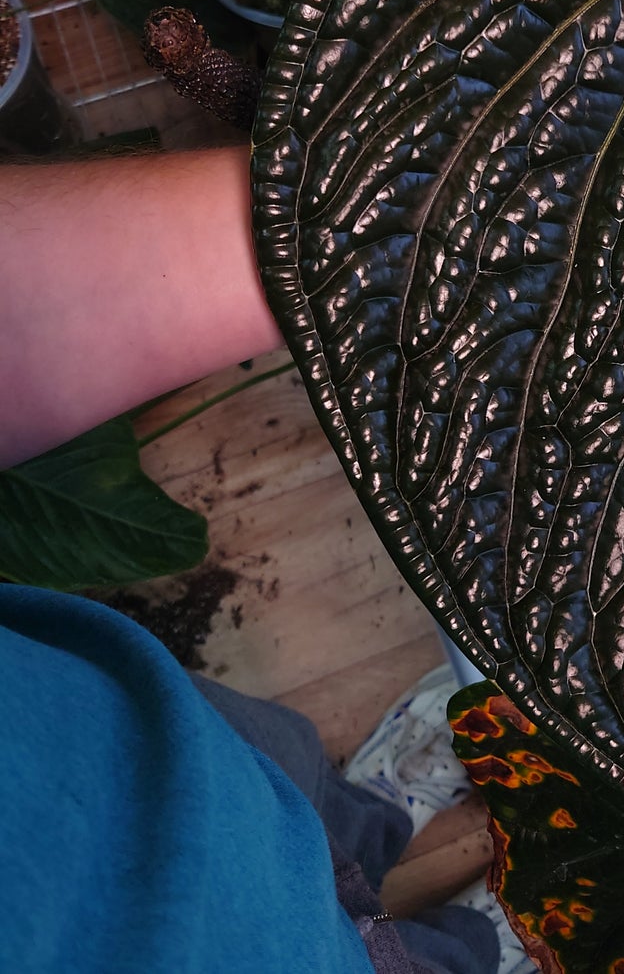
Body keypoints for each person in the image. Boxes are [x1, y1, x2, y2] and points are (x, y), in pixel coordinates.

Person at [0, 147, 517, 974]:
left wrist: (391, 217)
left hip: (129, 730)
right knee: (404, 956)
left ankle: (373, 820)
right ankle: (488, 943)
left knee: (297, 786)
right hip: (262, 951)